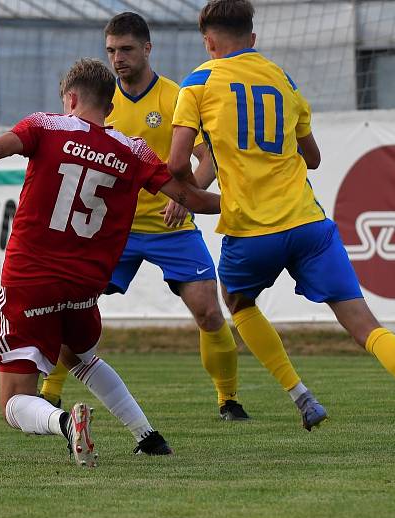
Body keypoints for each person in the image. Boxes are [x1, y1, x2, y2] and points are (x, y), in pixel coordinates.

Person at [168, 0, 395, 455]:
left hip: (251, 230)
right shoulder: (284, 79)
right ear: (253, 39)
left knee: (237, 302)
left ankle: (301, 395)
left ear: (209, 41)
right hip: (309, 224)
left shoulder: (197, 83)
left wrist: (188, 188)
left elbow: (179, 162)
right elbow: (313, 157)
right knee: (365, 324)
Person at [0, 58, 222, 467]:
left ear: (70, 99)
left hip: (32, 278)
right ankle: (148, 436)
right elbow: (191, 199)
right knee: (80, 357)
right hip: (85, 285)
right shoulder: (134, 150)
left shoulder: (46, 126)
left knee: (12, 403)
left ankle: (65, 423)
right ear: (110, 107)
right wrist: (245, 204)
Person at [40, 12, 249, 422]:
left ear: (148, 49)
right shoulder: (100, 102)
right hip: (112, 231)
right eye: (112, 51)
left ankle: (228, 399)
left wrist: (188, 197)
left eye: (127, 50)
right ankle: (50, 391)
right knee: (72, 306)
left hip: (172, 229)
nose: (118, 58)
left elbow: (208, 157)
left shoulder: (175, 96)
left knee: (208, 310)